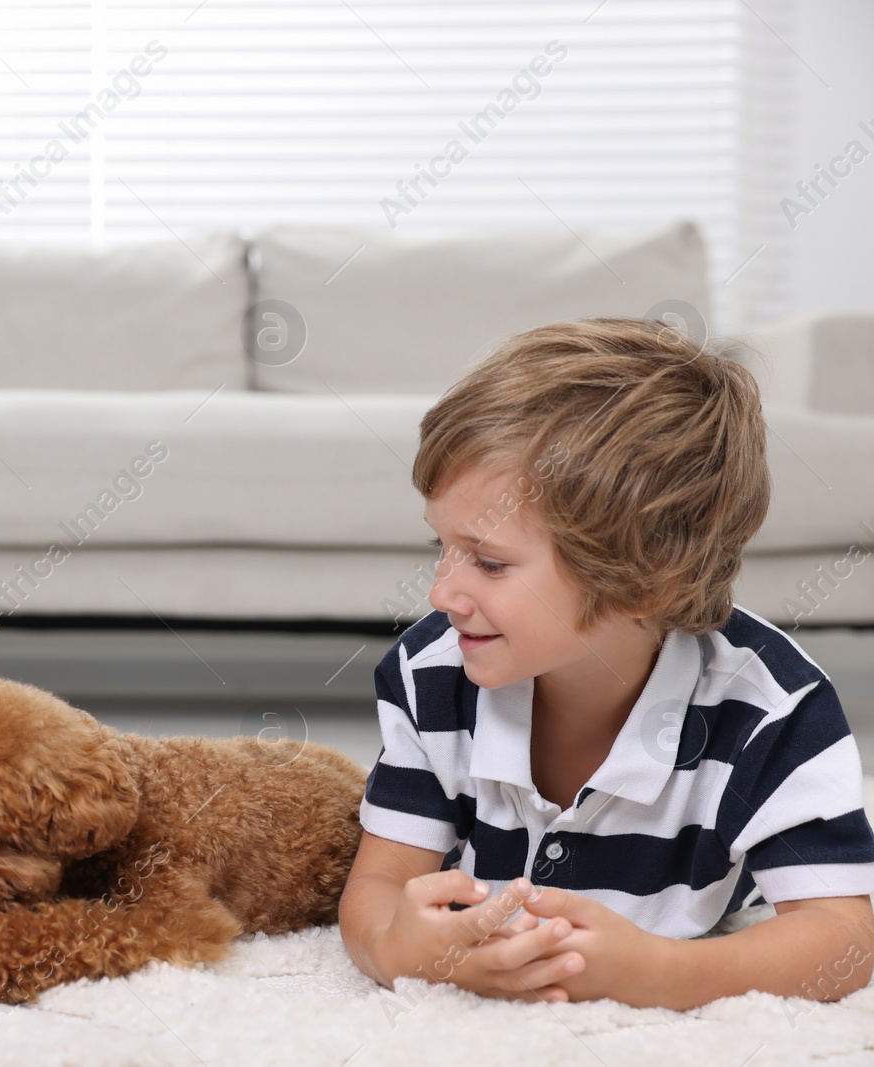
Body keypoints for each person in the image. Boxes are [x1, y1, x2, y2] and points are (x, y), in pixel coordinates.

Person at [339, 317, 874, 1009]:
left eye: (490, 561)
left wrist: (661, 972)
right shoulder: (430, 675)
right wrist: (401, 949)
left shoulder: (773, 709)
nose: (441, 593)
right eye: (441, 546)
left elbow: (844, 938)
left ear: (648, 580)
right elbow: (374, 890)